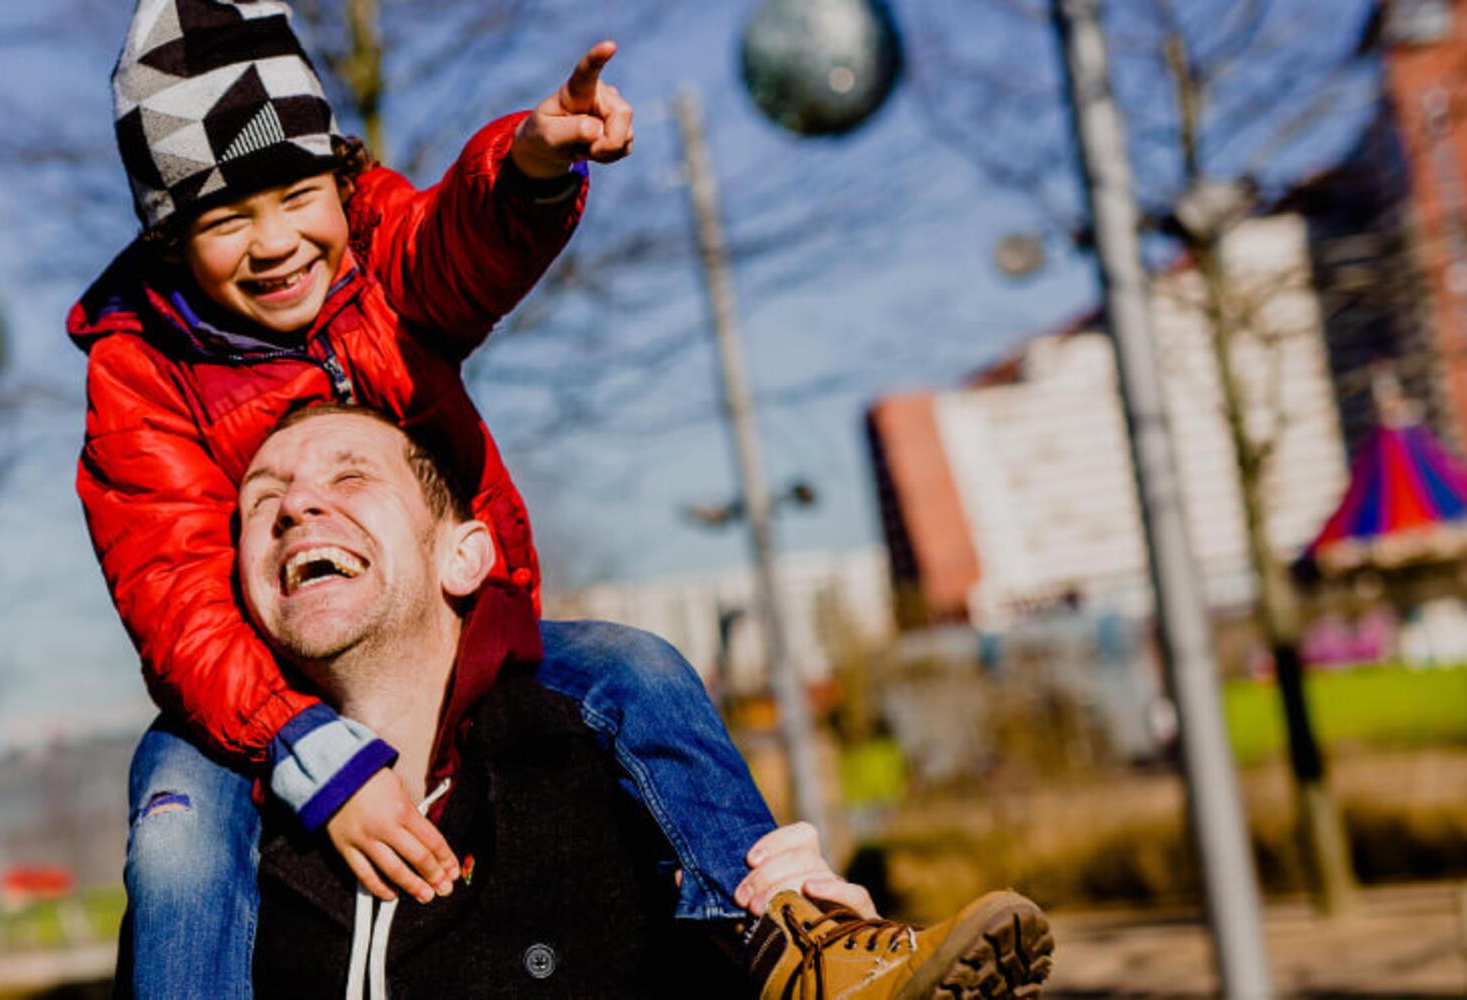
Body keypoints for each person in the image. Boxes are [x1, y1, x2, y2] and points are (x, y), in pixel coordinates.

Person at [67, 1, 1052, 995]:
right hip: (244, 697)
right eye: (226, 220)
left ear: (341, 179)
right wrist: (311, 755)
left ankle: (787, 939)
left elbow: (453, 245)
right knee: (177, 832)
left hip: (461, 632)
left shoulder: (375, 259)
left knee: (634, 666)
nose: (275, 241)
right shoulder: (141, 368)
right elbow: (173, 591)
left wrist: (529, 168)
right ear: (169, 241)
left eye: (296, 196)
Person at [233, 404, 1056, 996]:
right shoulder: (218, 841)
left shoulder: (620, 782)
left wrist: (814, 941)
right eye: (262, 501)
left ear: (465, 556)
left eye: (352, 476)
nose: (296, 506)